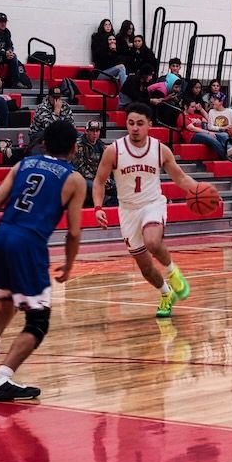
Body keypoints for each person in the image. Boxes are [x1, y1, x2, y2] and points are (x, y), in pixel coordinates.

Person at [0, 120, 86, 401]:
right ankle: (3, 379)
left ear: (44, 143)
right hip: (29, 243)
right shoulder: (74, 179)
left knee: (5, 310)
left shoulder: (23, 165)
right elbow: (73, 232)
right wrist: (70, 264)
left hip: (3, 235)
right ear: (74, 148)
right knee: (38, 322)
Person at [93, 103, 203, 318]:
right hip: (128, 211)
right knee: (145, 268)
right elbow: (98, 182)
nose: (135, 128)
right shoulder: (113, 150)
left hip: (153, 204)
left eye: (140, 124)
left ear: (149, 125)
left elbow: (180, 178)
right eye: (131, 123)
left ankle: (173, 272)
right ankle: (166, 293)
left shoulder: (160, 149)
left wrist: (200, 189)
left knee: (153, 241)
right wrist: (98, 207)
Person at [73, 120, 116, 207]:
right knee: (94, 187)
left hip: (98, 177)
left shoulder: (101, 145)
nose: (95, 133)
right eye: (92, 131)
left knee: (118, 187)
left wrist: (105, 178)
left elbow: (106, 165)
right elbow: (80, 169)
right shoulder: (78, 144)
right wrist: (98, 180)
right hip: (82, 178)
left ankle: (108, 208)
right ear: (86, 131)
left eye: (97, 131)